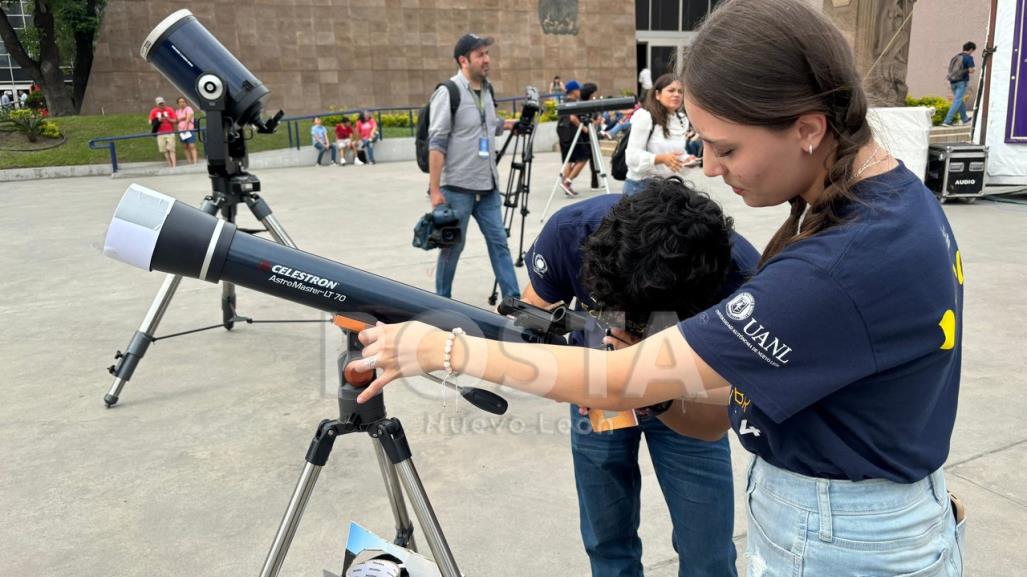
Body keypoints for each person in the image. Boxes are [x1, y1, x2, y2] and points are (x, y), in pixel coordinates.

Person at [350, 1, 967, 576]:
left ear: (808, 128)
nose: (713, 168)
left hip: (841, 537)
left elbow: (624, 381)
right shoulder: (890, 204)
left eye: (726, 148)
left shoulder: (834, 261)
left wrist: (443, 350)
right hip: (867, 516)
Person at [523, 178, 758, 577]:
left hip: (690, 398)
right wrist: (572, 371)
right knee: (606, 541)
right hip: (597, 394)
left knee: (709, 551)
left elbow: (740, 387)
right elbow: (530, 314)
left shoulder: (736, 273)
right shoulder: (572, 232)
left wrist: (661, 386)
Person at [426, 33, 521, 301]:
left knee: (499, 243)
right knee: (452, 247)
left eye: (487, 54)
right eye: (480, 55)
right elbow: (437, 142)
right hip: (457, 188)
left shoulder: (488, 90)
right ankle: (441, 302)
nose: (487, 59)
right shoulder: (448, 92)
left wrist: (511, 125)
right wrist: (435, 190)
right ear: (463, 60)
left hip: (488, 186)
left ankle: (513, 303)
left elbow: (488, 125)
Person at [623, 74, 696, 196]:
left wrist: (687, 160)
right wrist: (662, 158)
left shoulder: (682, 120)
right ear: (657, 94)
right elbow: (631, 157)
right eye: (671, 90)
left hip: (668, 186)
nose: (676, 94)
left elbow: (676, 154)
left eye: (680, 91)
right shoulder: (645, 117)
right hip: (641, 187)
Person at [556, 80, 592, 197]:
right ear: (574, 91)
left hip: (563, 133)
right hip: (572, 133)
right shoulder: (572, 103)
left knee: (569, 160)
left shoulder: (563, 102)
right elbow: (572, 118)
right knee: (583, 158)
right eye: (578, 89)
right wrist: (584, 129)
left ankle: (566, 183)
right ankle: (567, 182)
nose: (579, 92)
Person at [942, 41, 977, 126]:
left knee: (959, 100)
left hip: (952, 82)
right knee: (957, 101)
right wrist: (972, 70)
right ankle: (947, 121)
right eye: (973, 50)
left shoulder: (955, 57)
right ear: (971, 49)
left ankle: (964, 119)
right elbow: (971, 70)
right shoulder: (968, 57)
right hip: (962, 82)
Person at [148, 96, 178, 168]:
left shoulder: (169, 109)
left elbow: (175, 120)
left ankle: (174, 166)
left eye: (162, 103)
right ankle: (170, 165)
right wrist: (158, 120)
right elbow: (149, 122)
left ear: (164, 102)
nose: (161, 105)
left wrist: (168, 119)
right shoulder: (153, 111)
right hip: (160, 133)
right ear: (157, 104)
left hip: (170, 132)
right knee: (165, 150)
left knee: (172, 149)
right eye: (160, 104)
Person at [175, 97, 199, 165]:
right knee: (185, 147)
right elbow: (176, 120)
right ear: (178, 103)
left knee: (192, 146)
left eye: (183, 102)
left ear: (186, 102)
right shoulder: (177, 111)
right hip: (181, 132)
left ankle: (195, 162)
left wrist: (185, 127)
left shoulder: (189, 109)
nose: (182, 103)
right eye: (180, 102)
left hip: (189, 130)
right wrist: (183, 117)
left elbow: (188, 118)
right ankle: (189, 162)